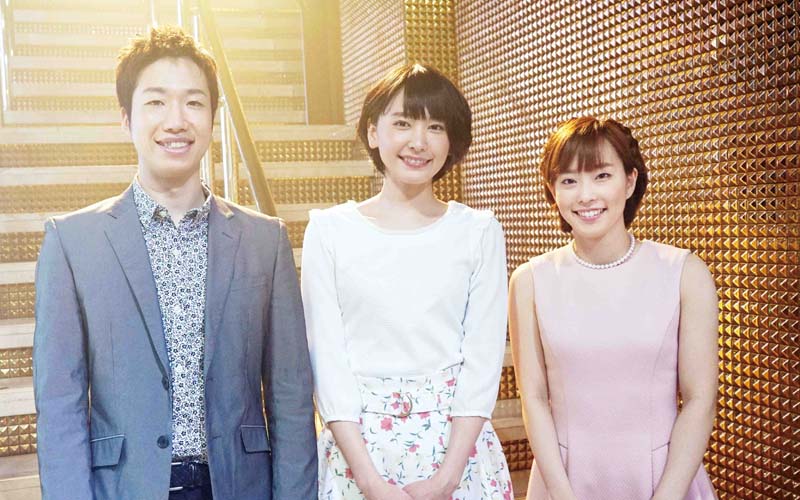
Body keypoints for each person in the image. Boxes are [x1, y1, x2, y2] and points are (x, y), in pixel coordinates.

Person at [32, 26, 317, 499]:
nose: (176, 120)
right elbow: (60, 401)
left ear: (212, 117)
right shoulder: (72, 242)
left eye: (194, 102)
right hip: (125, 487)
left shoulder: (265, 240)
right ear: (126, 118)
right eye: (156, 102)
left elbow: (290, 396)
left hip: (239, 486)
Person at [301, 63, 513, 500]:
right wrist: (369, 482)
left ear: (451, 141)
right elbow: (328, 362)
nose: (419, 142)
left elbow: (482, 361)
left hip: (457, 456)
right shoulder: (329, 230)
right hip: (358, 456)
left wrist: (447, 479)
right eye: (403, 123)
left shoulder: (478, 231)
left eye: (435, 127)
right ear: (373, 132)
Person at [509, 116, 719, 500]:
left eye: (602, 176)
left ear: (630, 180)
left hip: (664, 480)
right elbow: (534, 399)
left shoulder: (685, 272)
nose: (585, 195)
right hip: (564, 481)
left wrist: (668, 495)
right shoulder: (530, 281)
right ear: (552, 191)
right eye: (569, 181)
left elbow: (700, 399)